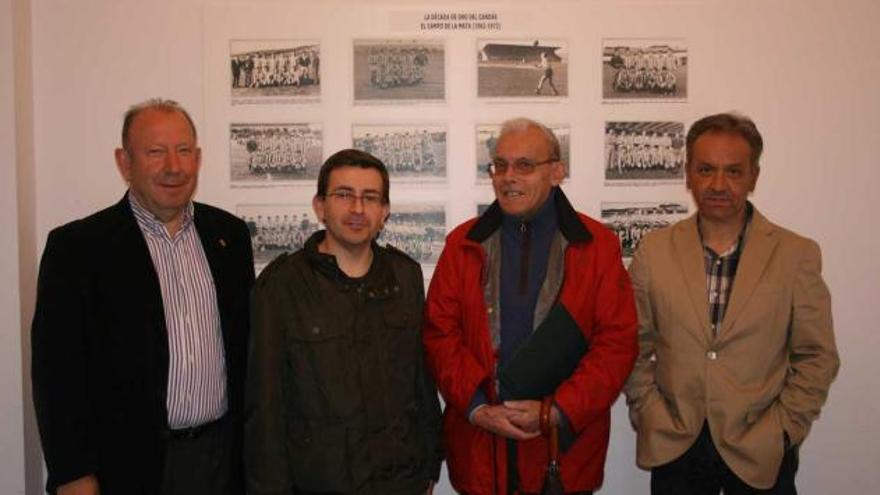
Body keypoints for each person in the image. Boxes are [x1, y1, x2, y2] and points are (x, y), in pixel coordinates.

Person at [31, 98, 255, 495]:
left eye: (184, 151)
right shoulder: (79, 248)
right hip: (125, 467)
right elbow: (57, 376)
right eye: (156, 152)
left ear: (198, 158)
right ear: (124, 162)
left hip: (219, 461)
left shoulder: (230, 237)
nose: (174, 166)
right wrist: (73, 476)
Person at [624, 112, 840, 494]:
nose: (718, 184)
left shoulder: (795, 254)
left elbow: (817, 355)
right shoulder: (653, 252)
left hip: (761, 449)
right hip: (677, 445)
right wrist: (648, 410)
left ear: (753, 176)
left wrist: (785, 428)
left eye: (734, 171)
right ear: (688, 173)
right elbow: (632, 345)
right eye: (706, 170)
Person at [423, 118, 638, 495]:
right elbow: (441, 335)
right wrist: (476, 407)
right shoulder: (462, 245)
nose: (508, 177)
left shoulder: (597, 247)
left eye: (524, 165)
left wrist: (556, 413)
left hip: (562, 452)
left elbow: (616, 346)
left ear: (556, 172)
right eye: (500, 165)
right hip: (481, 447)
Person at [245, 149, 443, 495]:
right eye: (344, 195)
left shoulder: (405, 276)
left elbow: (421, 384)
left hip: (399, 480)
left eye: (370, 198)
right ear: (320, 206)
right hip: (318, 481)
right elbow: (266, 407)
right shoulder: (281, 286)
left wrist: (428, 466)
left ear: (385, 212)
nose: (357, 209)